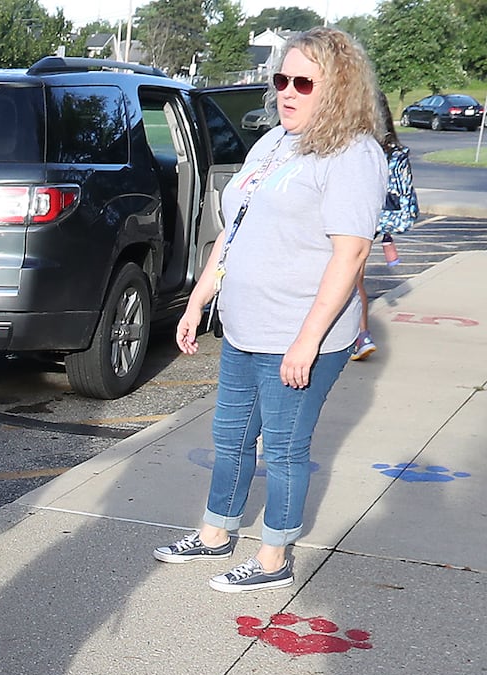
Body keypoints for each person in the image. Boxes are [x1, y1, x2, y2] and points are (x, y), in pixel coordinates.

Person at [154, 29, 386, 592]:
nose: (286, 92)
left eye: (302, 82)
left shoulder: (354, 155)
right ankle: (216, 534)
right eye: (280, 79)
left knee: (283, 448)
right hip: (245, 326)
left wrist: (307, 341)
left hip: (300, 334)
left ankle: (273, 559)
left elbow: (351, 252)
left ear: (338, 88)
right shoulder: (276, 143)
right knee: (230, 435)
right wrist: (200, 299)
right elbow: (233, 230)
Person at [351, 96, 416, 361]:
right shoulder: (391, 148)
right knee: (355, 279)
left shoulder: (359, 148)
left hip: (354, 218)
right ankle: (361, 335)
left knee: (349, 279)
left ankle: (358, 335)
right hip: (374, 222)